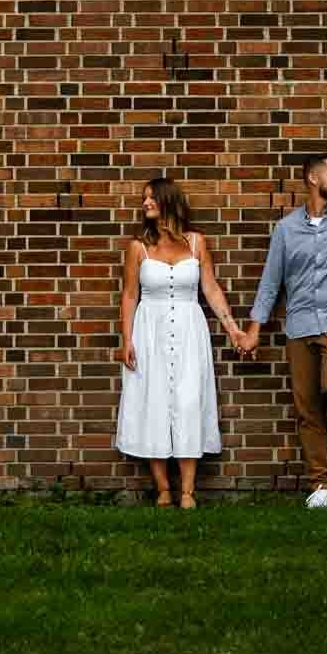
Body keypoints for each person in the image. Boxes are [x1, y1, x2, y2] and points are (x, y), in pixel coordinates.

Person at [235, 152, 327, 508]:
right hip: (299, 326)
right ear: (314, 179)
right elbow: (271, 283)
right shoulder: (286, 230)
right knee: (307, 410)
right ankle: (321, 484)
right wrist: (254, 330)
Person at [114, 176, 244, 508]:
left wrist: (233, 329)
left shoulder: (197, 243)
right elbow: (129, 295)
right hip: (150, 332)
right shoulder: (138, 247)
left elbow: (210, 289)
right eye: (144, 198)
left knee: (189, 402)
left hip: (189, 332)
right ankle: (163, 489)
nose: (146, 203)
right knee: (152, 403)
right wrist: (127, 339)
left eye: (152, 198)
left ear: (168, 201)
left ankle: (187, 491)